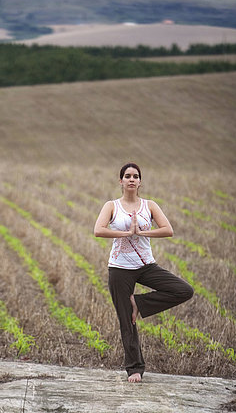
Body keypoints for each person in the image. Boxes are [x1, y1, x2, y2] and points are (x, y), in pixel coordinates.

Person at [94, 162, 193, 383]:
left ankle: (139, 303)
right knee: (126, 320)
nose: (131, 179)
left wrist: (142, 232)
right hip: (119, 268)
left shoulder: (150, 205)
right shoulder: (112, 206)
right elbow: (98, 230)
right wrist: (126, 233)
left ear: (140, 182)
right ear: (120, 181)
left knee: (184, 290)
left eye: (135, 176)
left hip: (146, 265)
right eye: (127, 176)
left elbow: (168, 230)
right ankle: (135, 369)